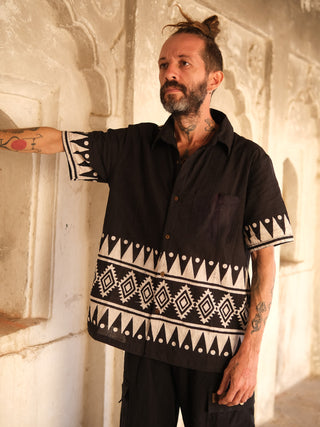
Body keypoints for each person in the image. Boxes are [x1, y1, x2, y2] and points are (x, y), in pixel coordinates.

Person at [0, 9, 293, 427]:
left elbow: (266, 262)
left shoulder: (249, 163)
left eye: (183, 63)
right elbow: (56, 141)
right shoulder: (134, 146)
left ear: (214, 79)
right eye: (163, 64)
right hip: (146, 339)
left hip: (217, 354)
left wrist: (251, 353)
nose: (169, 73)